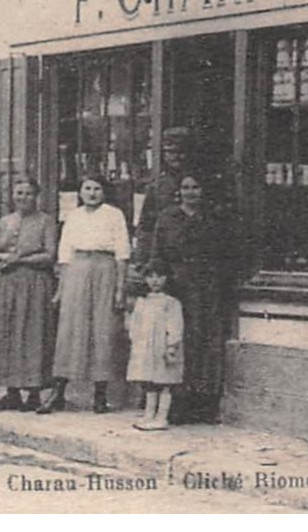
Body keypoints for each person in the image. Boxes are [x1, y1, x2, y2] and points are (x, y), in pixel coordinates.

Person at [147, 173, 237, 423]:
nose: (190, 192)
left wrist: (220, 281)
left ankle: (204, 405)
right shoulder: (167, 218)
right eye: (185, 187)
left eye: (195, 187)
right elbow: (157, 255)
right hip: (177, 289)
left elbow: (229, 254)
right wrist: (160, 285)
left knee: (205, 344)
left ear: (203, 190)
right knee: (177, 343)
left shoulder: (214, 219)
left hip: (208, 289)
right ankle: (176, 405)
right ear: (179, 191)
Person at [46, 176, 130, 414]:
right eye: (87, 188)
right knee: (70, 329)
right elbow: (64, 253)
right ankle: (58, 392)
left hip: (105, 268)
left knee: (102, 330)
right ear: (80, 192)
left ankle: (100, 395)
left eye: (97, 189)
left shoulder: (114, 215)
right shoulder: (74, 216)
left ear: (104, 192)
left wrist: (120, 288)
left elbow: (122, 253)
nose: (92, 193)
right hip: (77, 269)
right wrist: (61, 288)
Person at [0, 178, 57, 412]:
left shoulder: (46, 221)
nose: (23, 197)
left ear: (37, 196)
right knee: (7, 334)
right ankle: (11, 393)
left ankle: (33, 392)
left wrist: (20, 259)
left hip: (33, 284)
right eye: (19, 193)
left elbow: (49, 255)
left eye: (28, 193)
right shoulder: (6, 221)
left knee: (32, 334)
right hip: (5, 285)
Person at [126, 260, 183, 431]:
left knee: (165, 382)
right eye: (150, 276)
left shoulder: (171, 302)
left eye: (160, 276)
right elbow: (135, 323)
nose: (155, 281)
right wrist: (135, 340)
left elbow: (175, 325)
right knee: (149, 381)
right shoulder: (142, 301)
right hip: (145, 347)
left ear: (167, 278)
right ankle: (149, 414)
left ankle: (162, 417)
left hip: (162, 348)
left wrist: (172, 345)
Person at [133, 126, 192, 269]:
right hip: (164, 258)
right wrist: (142, 260)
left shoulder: (200, 183)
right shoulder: (158, 187)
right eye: (171, 152)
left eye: (181, 152)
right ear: (164, 155)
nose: (176, 157)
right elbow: (147, 225)